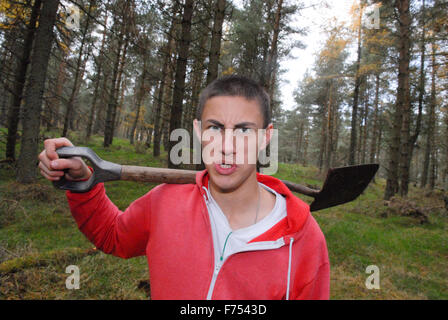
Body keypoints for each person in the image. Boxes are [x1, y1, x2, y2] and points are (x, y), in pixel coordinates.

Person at [38, 75, 330, 300]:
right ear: (199, 131)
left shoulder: (303, 239)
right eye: (215, 127)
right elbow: (113, 236)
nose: (226, 147)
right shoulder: (165, 202)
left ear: (266, 137)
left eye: (243, 130)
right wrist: (80, 182)